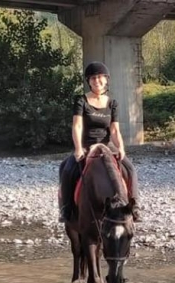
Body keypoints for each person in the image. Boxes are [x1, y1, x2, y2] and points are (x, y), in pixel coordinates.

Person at [59, 61, 140, 223]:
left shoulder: (112, 103)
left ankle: (134, 207)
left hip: (107, 145)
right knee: (66, 169)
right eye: (93, 78)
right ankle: (66, 209)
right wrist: (78, 149)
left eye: (100, 77)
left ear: (106, 79)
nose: (97, 81)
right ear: (88, 81)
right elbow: (77, 125)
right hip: (87, 145)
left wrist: (121, 148)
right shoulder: (81, 101)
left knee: (130, 169)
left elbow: (115, 130)